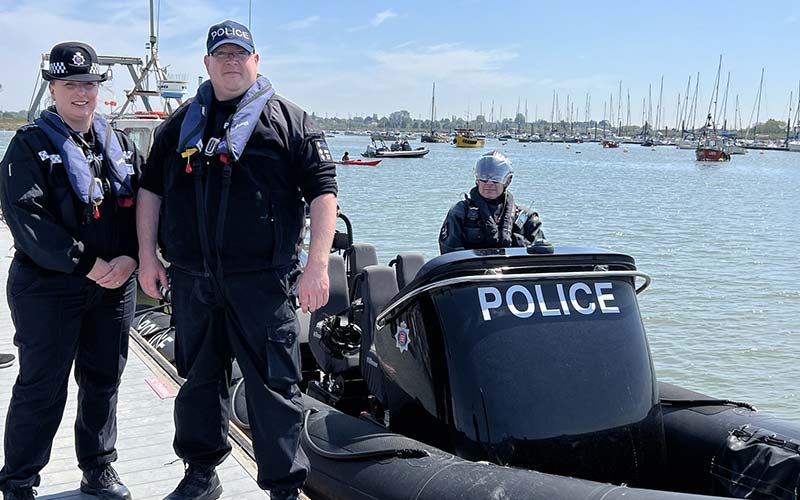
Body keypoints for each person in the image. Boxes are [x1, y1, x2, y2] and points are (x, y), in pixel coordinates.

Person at [136, 20, 337, 500]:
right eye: (221, 55)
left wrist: (317, 266)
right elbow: (150, 190)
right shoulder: (180, 123)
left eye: (239, 54)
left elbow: (323, 192)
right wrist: (147, 256)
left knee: (274, 390)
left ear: (256, 61)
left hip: (263, 285)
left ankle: (284, 489)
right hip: (193, 282)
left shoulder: (291, 122)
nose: (230, 62)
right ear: (206, 64)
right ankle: (201, 474)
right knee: (199, 383)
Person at [0, 41, 141, 500]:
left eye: (88, 84)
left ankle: (98, 468)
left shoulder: (117, 143)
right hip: (48, 288)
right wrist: (88, 264)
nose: (81, 93)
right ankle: (19, 479)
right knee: (41, 386)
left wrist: (135, 256)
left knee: (103, 380)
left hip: (114, 287)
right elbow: (28, 221)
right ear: (53, 89)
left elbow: (144, 207)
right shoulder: (28, 148)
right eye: (69, 85)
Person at [439, 150, 544, 254]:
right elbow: (449, 252)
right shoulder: (460, 212)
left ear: (508, 180)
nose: (489, 183)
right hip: (471, 269)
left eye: (496, 177)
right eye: (484, 177)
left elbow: (542, 256)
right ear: (477, 178)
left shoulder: (527, 218)